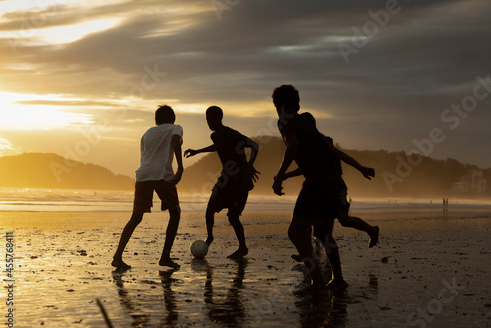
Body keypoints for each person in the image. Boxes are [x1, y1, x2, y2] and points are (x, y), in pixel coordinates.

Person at [272, 85, 367, 294]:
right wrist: (360, 167)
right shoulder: (310, 126)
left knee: (295, 232)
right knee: (323, 234)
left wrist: (279, 176)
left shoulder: (285, 120)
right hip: (334, 182)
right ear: (297, 104)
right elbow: (333, 151)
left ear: (278, 106)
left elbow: (293, 144)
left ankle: (317, 284)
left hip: (317, 182)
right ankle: (339, 280)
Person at [283, 112, 379, 249]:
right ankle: (309, 252)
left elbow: (340, 155)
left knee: (343, 220)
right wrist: (286, 175)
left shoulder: (322, 141)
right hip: (318, 188)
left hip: (333, 187)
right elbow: (305, 168)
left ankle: (372, 230)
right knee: (312, 223)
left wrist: (361, 168)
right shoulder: (307, 144)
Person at [112, 105, 184, 269]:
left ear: (156, 120)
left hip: (143, 175)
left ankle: (117, 256)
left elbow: (146, 156)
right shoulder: (176, 128)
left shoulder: (147, 133)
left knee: (136, 217)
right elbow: (175, 140)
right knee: (175, 212)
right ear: (173, 119)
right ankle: (165, 256)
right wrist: (180, 168)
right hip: (163, 175)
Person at [184, 106, 259, 259]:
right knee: (210, 209)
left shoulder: (232, 134)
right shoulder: (215, 136)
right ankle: (210, 237)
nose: (209, 122)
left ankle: (242, 248)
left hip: (239, 182)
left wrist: (250, 164)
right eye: (207, 119)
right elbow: (217, 146)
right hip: (225, 179)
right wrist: (197, 151)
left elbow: (254, 146)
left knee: (233, 217)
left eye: (211, 119)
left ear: (220, 118)